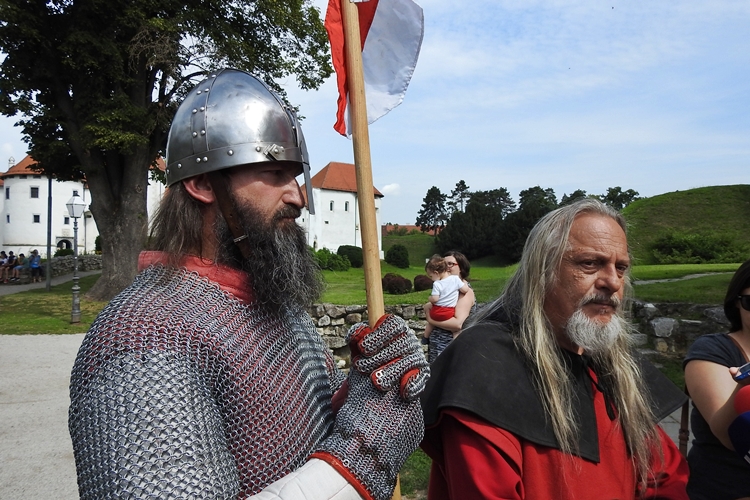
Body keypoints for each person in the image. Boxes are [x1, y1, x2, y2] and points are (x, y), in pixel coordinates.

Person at [68, 69, 429, 500]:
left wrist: (369, 393)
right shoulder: (144, 333)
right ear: (203, 183)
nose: (298, 196)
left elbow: (303, 440)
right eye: (275, 172)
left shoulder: (279, 308)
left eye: (295, 176)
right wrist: (365, 452)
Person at [421, 198, 689, 499]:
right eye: (590, 263)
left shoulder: (613, 364)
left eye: (621, 267)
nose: (613, 282)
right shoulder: (486, 363)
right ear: (542, 270)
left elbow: (665, 478)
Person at [683, 258, 750, 500]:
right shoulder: (712, 349)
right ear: (737, 304)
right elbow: (727, 434)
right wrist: (743, 388)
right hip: (724, 490)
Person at [425, 251, 475, 362]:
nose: (446, 267)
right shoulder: (445, 287)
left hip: (450, 350)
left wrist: (430, 319)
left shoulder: (465, 292)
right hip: (437, 348)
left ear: (461, 267)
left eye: (450, 264)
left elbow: (457, 325)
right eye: (444, 263)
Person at [422, 255, 469, 344]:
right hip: (449, 312)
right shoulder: (456, 279)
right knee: (455, 331)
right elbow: (465, 290)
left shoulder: (437, 284)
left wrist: (430, 299)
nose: (431, 279)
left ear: (436, 273)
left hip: (437, 311)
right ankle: (456, 343)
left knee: (430, 324)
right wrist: (464, 284)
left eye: (431, 276)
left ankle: (425, 337)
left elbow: (435, 299)